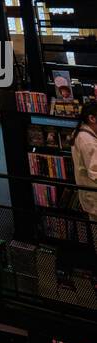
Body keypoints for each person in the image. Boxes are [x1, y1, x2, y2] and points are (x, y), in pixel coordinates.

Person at [72, 100, 97, 244]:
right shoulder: (87, 141)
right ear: (92, 118)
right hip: (94, 198)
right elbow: (95, 173)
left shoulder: (81, 132)